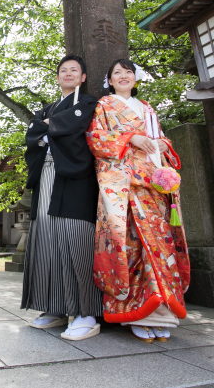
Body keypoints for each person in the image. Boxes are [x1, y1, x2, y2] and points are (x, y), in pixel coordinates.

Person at [85, 59, 190, 342]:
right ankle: (136, 312)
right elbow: (97, 139)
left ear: (135, 78)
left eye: (128, 72)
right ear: (109, 80)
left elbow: (161, 141)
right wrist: (131, 137)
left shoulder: (147, 108)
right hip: (127, 186)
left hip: (154, 186)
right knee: (133, 245)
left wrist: (163, 145)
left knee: (160, 245)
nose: (123, 76)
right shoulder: (105, 105)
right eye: (117, 72)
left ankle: (162, 312)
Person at [21, 54, 103, 341]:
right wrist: (52, 127)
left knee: (75, 238)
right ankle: (54, 307)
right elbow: (32, 134)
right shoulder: (49, 107)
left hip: (74, 177)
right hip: (45, 177)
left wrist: (47, 127)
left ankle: (86, 312)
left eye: (74, 70)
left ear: (82, 78)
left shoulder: (89, 103)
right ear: (57, 77)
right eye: (63, 70)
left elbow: (66, 127)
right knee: (46, 239)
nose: (68, 74)